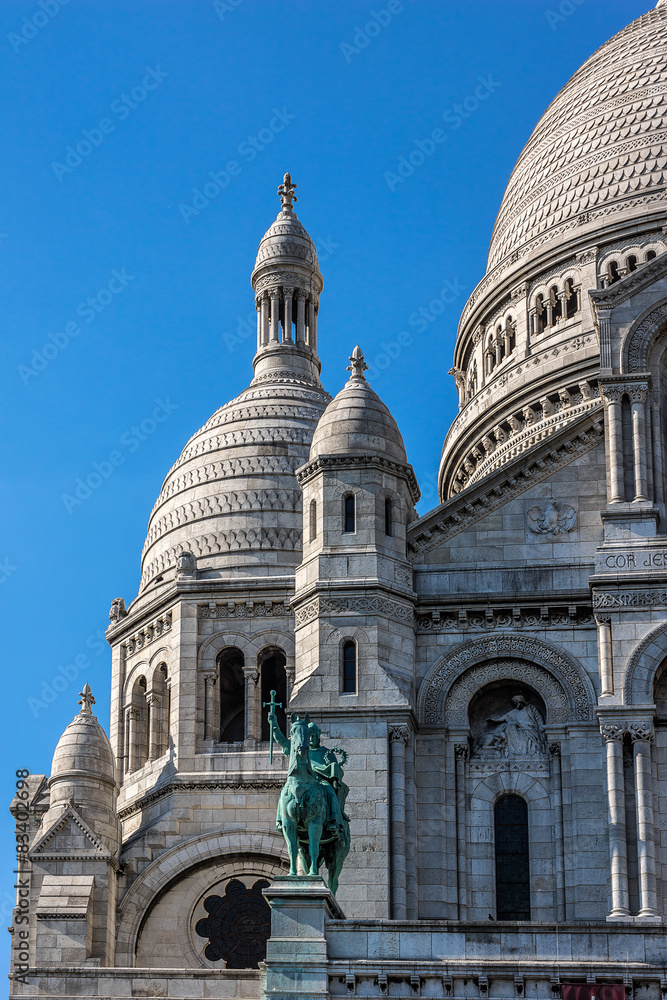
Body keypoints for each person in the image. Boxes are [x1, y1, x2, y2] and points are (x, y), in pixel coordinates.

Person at [268, 708, 350, 833]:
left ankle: (334, 820)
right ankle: (280, 820)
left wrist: (332, 768)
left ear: (318, 736)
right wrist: (274, 725)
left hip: (320, 782)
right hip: (301, 779)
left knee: (329, 791)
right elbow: (282, 740)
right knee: (284, 792)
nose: (312, 739)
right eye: (310, 736)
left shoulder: (326, 753)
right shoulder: (298, 748)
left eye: (314, 736)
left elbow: (336, 770)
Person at [480, 694, 547, 756]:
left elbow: (538, 717)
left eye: (516, 702)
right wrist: (495, 720)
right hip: (518, 729)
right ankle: (514, 751)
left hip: (530, 729)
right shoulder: (515, 711)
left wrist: (541, 728)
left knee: (513, 726)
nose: (515, 704)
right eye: (514, 703)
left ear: (520, 701)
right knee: (510, 725)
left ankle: (525, 751)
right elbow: (505, 717)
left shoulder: (530, 708)